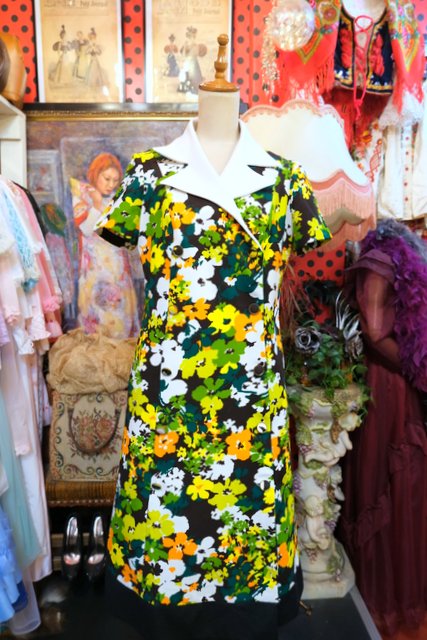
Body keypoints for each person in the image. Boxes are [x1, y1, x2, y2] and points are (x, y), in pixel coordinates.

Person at [95, 34, 332, 640]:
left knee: (247, 531)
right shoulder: (149, 175)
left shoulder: (285, 182)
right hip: (168, 395)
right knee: (165, 527)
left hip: (251, 396)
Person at [337, 218, 427, 636]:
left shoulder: (391, 260)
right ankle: (387, 597)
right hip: (387, 384)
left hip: (397, 382)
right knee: (391, 481)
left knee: (406, 483)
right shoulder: (379, 263)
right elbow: (375, 333)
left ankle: (405, 594)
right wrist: (416, 371)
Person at [70, 152, 139, 339]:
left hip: (118, 269)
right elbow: (87, 229)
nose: (111, 184)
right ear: (95, 174)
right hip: (95, 270)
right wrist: (97, 204)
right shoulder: (82, 197)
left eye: (115, 180)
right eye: (107, 178)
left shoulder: (119, 199)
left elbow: (126, 234)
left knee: (120, 315)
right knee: (96, 315)